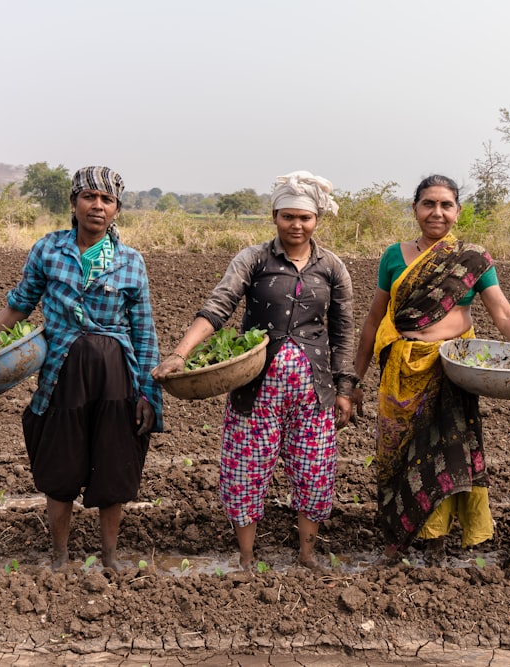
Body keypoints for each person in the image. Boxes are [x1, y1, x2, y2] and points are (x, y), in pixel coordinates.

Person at [0, 166, 162, 572]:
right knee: (60, 468)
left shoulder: (131, 261)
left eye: (107, 200)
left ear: (116, 210)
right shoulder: (48, 250)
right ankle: (59, 557)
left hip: (117, 377)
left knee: (114, 465)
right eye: (89, 197)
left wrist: (149, 393)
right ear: (73, 203)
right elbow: (18, 306)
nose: (97, 205)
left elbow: (144, 332)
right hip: (62, 373)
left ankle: (109, 558)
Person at [352, 174, 510, 559]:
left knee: (445, 455)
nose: (436, 212)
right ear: (415, 208)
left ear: (457, 210)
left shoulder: (472, 258)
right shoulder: (393, 256)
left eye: (446, 205)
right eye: (428, 204)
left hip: (453, 370)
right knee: (396, 455)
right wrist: (355, 378)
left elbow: (503, 314)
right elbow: (373, 320)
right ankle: (397, 538)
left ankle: (436, 543)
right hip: (402, 371)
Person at [151, 170, 356, 570]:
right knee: (246, 471)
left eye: (305, 218)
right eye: (287, 216)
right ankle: (246, 557)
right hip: (255, 390)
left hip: (314, 393)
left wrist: (344, 388)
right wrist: (181, 353)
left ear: (317, 220)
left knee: (315, 473)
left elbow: (343, 332)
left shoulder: (332, 267)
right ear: (274, 215)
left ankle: (307, 554)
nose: (296, 225)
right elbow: (218, 307)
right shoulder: (253, 259)